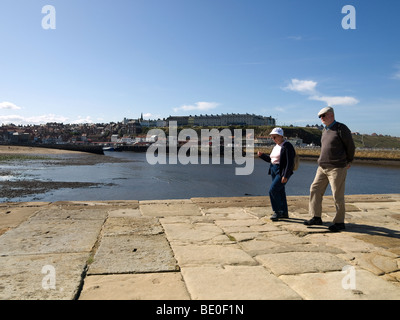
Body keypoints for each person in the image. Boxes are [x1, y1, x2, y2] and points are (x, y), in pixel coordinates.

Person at [304, 106, 355, 232]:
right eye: (320, 117)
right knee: (314, 189)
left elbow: (351, 146)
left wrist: (349, 161)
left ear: (331, 115)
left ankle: (339, 222)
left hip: (337, 168)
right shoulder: (324, 130)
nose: (321, 118)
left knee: (337, 195)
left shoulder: (341, 128)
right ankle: (316, 217)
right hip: (322, 167)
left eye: (323, 116)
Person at [258, 127, 296, 221]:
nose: (273, 139)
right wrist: (262, 156)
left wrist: (285, 175)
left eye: (275, 137)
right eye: (272, 137)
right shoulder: (276, 146)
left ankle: (277, 211)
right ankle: (284, 212)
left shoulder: (287, 146)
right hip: (274, 169)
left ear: (281, 136)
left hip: (281, 170)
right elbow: (272, 160)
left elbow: (289, 162)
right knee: (280, 191)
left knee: (273, 190)